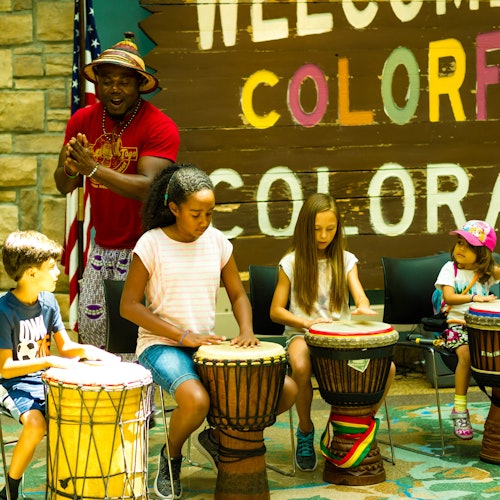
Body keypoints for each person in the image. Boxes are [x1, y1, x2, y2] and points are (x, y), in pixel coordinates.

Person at [120, 164, 297, 499]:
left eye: (210, 214)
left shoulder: (217, 242)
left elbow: (238, 295)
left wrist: (246, 330)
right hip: (160, 345)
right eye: (196, 214)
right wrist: (183, 336)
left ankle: (216, 438)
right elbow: (129, 306)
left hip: (207, 346)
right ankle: (169, 457)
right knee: (197, 400)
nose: (204, 222)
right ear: (174, 208)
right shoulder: (151, 244)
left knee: (284, 390)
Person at [54, 32, 180, 350]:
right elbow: (63, 184)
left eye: (124, 81)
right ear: (97, 82)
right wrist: (73, 166)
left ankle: (144, 402)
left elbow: (150, 187)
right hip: (102, 249)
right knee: (95, 341)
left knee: (140, 342)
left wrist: (93, 169)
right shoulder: (82, 120)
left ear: (139, 84)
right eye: (107, 80)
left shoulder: (159, 126)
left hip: (147, 249)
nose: (114, 88)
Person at [270, 192, 395, 472]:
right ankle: (305, 430)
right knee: (300, 365)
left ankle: (354, 421)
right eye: (316, 229)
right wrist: (307, 324)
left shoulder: (346, 259)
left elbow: (360, 297)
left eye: (330, 228)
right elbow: (276, 311)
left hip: (340, 340)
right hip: (302, 334)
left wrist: (363, 306)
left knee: (388, 369)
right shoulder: (290, 262)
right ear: (304, 228)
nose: (323, 235)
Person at [0, 231, 120, 500]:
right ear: (31, 273)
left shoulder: (48, 302)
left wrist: (95, 353)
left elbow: (65, 347)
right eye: (51, 267)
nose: (58, 273)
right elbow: (5, 368)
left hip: (42, 379)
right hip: (9, 383)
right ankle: (10, 487)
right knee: (36, 424)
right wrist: (51, 361)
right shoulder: (3, 311)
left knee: (78, 412)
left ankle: (73, 482)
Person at [434, 220, 500, 440]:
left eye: (468, 245)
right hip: (457, 327)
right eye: (459, 242)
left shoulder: (486, 273)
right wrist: (475, 297)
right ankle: (460, 408)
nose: (460, 248)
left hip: (483, 330)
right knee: (466, 355)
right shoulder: (449, 269)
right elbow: (449, 297)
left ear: (482, 254)